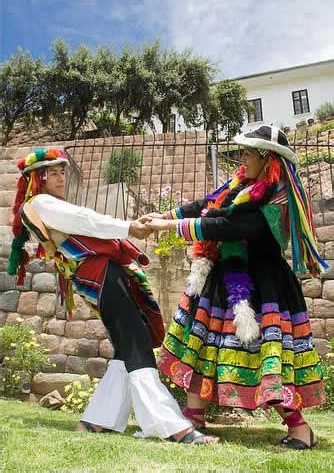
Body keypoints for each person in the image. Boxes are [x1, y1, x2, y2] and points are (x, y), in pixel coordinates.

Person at [7, 147, 219, 445]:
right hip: (99, 273)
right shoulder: (42, 203)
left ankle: (97, 421)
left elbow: (83, 221)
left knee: (128, 344)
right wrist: (128, 226)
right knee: (136, 342)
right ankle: (171, 427)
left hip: (100, 274)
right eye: (51, 173)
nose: (59, 177)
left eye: (61, 172)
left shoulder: (46, 204)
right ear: (36, 179)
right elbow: (86, 220)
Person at [145, 125, 328, 450]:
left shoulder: (280, 199)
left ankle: (300, 428)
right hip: (222, 277)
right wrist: (166, 214)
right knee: (203, 347)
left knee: (263, 356)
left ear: (267, 158)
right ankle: (192, 419)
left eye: (247, 152)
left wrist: (172, 227)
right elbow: (209, 204)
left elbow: (232, 226)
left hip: (263, 288)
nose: (240, 157)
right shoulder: (242, 184)